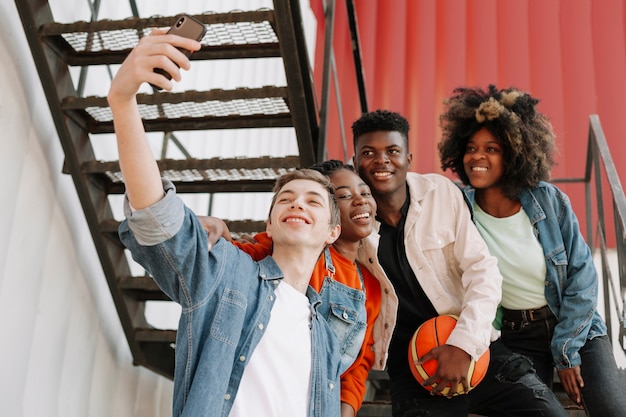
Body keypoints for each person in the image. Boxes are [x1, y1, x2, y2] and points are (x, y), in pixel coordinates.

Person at [108, 28, 343, 417]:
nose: (296, 203)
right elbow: (158, 220)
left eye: (313, 200)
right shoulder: (227, 276)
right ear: (270, 222)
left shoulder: (328, 338)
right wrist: (122, 101)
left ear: (332, 232)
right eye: (285, 198)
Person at [351, 109, 569, 416]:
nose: (381, 160)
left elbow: (483, 272)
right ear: (355, 161)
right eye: (368, 152)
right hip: (412, 367)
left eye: (392, 151)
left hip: (473, 344)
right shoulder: (352, 223)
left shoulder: (440, 193)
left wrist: (463, 345)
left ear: (408, 158)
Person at [438, 84, 626, 416]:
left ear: (513, 153)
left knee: (612, 407)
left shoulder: (548, 201)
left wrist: (566, 351)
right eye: (471, 147)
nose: (477, 157)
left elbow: (583, 279)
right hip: (515, 336)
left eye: (492, 148)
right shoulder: (458, 208)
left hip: (573, 324)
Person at [216, 160, 399, 417]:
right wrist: (220, 234)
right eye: (344, 195)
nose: (360, 200)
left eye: (365, 192)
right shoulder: (298, 249)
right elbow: (238, 257)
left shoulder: (372, 285)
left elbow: (358, 365)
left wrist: (343, 412)